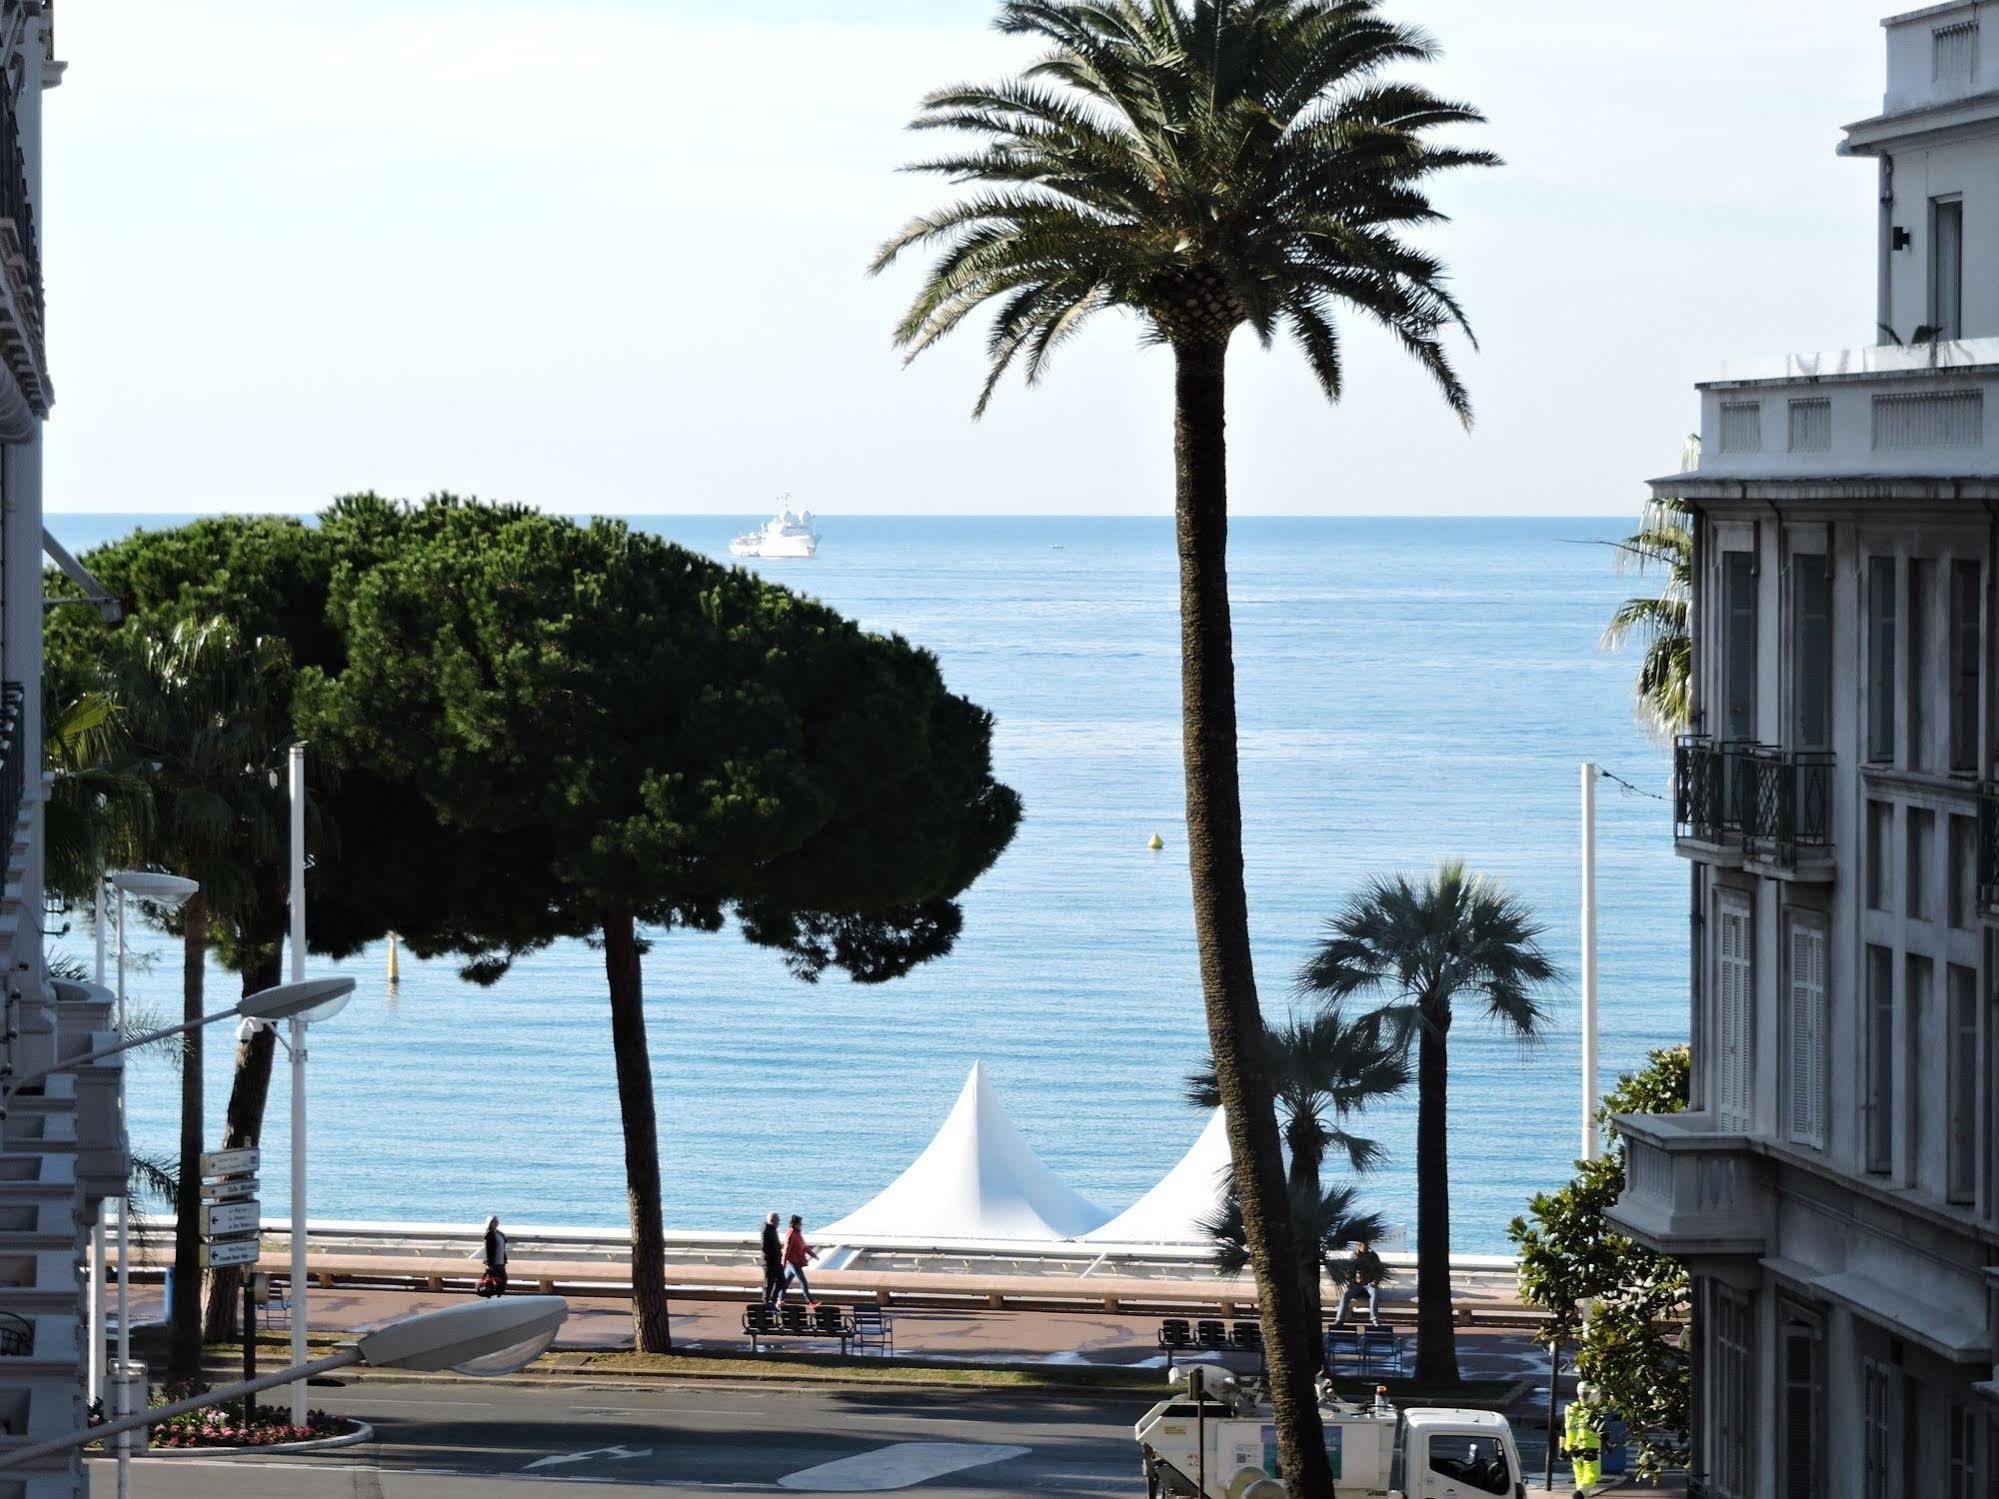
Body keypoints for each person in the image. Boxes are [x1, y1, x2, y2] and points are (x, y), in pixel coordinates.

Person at [1333, 1240, 1384, 1325]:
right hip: (1357, 1284)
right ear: (1359, 1246)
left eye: (1367, 1247)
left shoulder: (1373, 1255)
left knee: (1374, 1294)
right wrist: (1350, 1282)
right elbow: (1350, 1271)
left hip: (1369, 1284)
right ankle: (1339, 1319)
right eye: (1364, 1247)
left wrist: (1375, 1282)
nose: (1366, 1249)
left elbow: (1379, 1270)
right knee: (1345, 1296)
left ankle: (1374, 1319)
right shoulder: (1354, 1255)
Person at [780, 1214, 818, 1306]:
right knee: (803, 1281)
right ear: (794, 1224)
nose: (801, 1225)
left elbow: (803, 1246)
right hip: (793, 1262)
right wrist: (783, 1264)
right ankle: (810, 1301)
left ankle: (780, 1299)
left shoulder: (797, 1233)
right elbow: (786, 1250)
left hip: (795, 1262)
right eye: (800, 1224)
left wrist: (812, 1254)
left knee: (785, 1283)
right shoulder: (791, 1234)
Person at [759, 1210, 784, 1309]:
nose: (779, 1223)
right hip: (770, 1262)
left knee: (782, 1281)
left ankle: (772, 1300)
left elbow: (772, 1245)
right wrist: (775, 1251)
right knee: (769, 1282)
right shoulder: (766, 1230)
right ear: (773, 1220)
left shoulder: (772, 1229)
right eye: (778, 1221)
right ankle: (766, 1301)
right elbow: (765, 1248)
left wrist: (778, 1247)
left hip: (776, 1262)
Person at [480, 1214, 509, 1298]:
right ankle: (490, 1295)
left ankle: (498, 1295)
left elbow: (503, 1246)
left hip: (501, 1261)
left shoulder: (500, 1233)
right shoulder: (488, 1235)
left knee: (502, 1279)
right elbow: (488, 1250)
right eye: (493, 1221)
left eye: (497, 1221)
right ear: (489, 1223)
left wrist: (504, 1260)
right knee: (492, 1280)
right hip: (493, 1262)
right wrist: (488, 1264)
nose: (496, 1223)